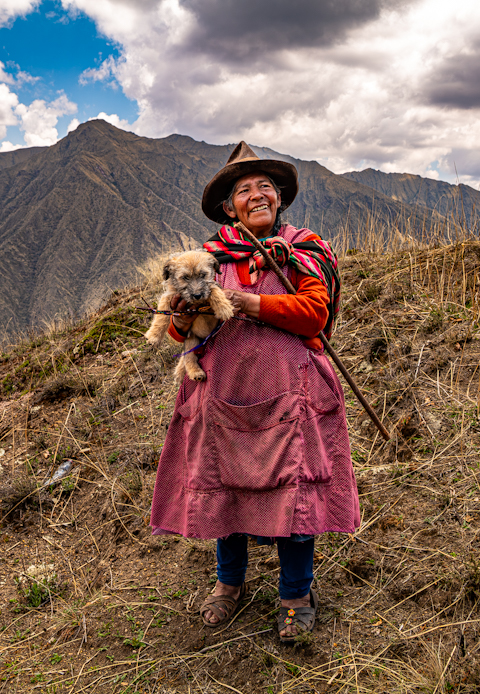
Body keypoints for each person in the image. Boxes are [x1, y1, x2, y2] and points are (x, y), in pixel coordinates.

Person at [149, 142, 360, 642]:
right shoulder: (207, 259)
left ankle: (295, 594)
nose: (257, 195)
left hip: (292, 394)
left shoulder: (304, 249)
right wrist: (179, 316)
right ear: (229, 207)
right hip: (220, 394)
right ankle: (228, 585)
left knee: (296, 489)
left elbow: (316, 314)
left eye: (265, 186)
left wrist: (250, 302)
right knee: (224, 488)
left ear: (280, 197)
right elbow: (183, 333)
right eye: (244, 190)